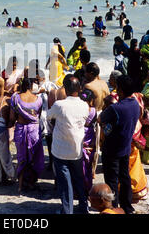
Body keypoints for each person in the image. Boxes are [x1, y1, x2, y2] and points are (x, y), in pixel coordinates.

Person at [47, 75, 89, 214]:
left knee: (65, 184)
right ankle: (83, 207)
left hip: (60, 150)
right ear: (79, 88)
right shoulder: (84, 105)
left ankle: (67, 210)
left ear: (65, 88)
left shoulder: (60, 105)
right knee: (78, 179)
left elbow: (48, 116)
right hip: (76, 149)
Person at [98, 75, 140, 214]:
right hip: (126, 147)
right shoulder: (135, 104)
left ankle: (113, 208)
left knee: (112, 181)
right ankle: (127, 207)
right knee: (125, 177)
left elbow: (100, 119)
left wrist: (106, 106)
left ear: (120, 90)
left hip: (112, 149)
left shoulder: (115, 108)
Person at [8, 78, 44, 194]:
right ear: (31, 86)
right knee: (34, 157)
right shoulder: (38, 99)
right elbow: (38, 116)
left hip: (21, 130)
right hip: (34, 131)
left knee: (22, 157)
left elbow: (12, 118)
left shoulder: (15, 98)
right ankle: (32, 182)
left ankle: (20, 185)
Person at [79, 89, 99, 194]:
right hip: (90, 137)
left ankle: (79, 189)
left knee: (79, 165)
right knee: (88, 165)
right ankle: (88, 187)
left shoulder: (78, 110)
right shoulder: (93, 110)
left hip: (80, 135)